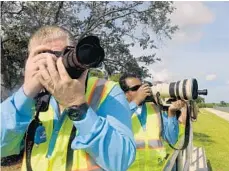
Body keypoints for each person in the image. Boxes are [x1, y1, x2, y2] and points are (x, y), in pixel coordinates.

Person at [1, 26, 136, 171]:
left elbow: (121, 161)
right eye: (44, 57)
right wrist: (27, 92)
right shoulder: (30, 100)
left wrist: (77, 105)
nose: (57, 64)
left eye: (63, 55)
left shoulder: (106, 91)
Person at [119, 73, 187, 171]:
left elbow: (171, 140)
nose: (141, 90)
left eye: (141, 86)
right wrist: (136, 101)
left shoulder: (155, 109)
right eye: (135, 88)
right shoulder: (119, 111)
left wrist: (171, 112)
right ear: (125, 94)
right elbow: (118, 123)